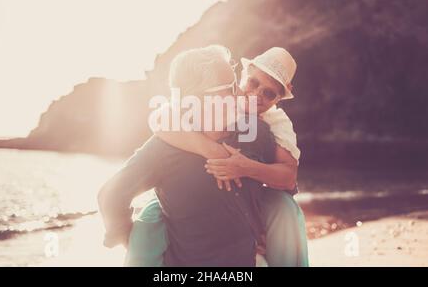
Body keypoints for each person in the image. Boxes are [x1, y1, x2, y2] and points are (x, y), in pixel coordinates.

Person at [126, 47, 309, 267]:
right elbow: (160, 118)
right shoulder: (217, 100)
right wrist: (209, 149)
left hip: (245, 194)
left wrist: (246, 168)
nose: (256, 95)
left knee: (285, 209)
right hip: (191, 194)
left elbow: (288, 177)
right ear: (243, 74)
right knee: (149, 218)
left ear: (281, 95)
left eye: (269, 93)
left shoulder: (276, 125)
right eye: (253, 83)